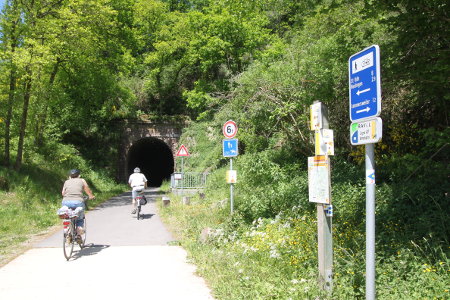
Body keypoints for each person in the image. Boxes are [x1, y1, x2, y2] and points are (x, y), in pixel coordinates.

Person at [61, 169, 95, 237]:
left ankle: (67, 228)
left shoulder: (66, 182)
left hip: (66, 202)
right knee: (80, 218)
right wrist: (91, 196)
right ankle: (79, 234)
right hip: (78, 201)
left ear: (70, 176)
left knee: (67, 216)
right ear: (79, 175)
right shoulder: (82, 180)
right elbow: (86, 189)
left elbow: (63, 193)